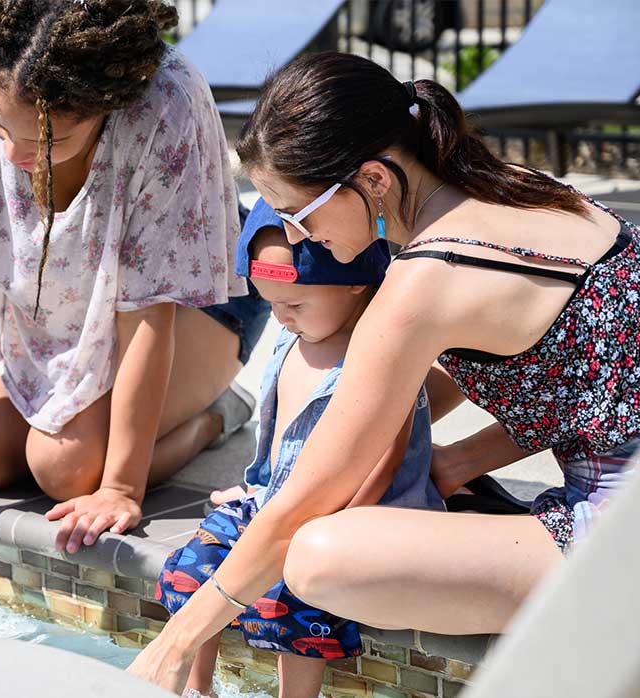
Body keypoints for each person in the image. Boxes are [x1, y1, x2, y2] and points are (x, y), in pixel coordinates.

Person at [128, 51, 640, 692]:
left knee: (318, 555)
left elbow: (303, 507)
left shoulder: (424, 281)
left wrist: (172, 644)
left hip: (635, 540)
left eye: (298, 215)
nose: (296, 240)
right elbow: (580, 376)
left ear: (374, 180)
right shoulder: (522, 193)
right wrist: (456, 459)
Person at [0, 0, 269, 629]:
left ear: (106, 108)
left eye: (48, 139)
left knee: (66, 469)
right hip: (57, 299)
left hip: (196, 298)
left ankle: (215, 416)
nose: (14, 154)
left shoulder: (165, 106)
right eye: (2, 129)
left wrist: (121, 486)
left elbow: (148, 319)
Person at [156, 199, 444, 698]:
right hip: (278, 505)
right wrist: (258, 487)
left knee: (288, 605)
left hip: (353, 519)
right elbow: (283, 435)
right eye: (271, 305)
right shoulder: (295, 339)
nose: (281, 317)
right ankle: (194, 688)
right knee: (191, 574)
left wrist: (330, 527)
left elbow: (384, 458)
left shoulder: (377, 357)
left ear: (355, 279)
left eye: (294, 305)